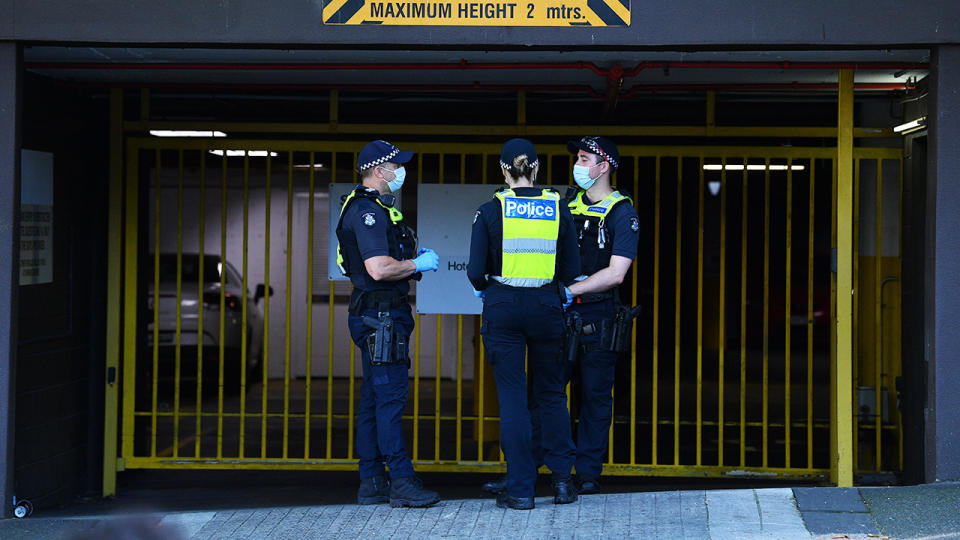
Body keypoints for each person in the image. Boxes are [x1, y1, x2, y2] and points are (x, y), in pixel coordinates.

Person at [467, 138, 581, 510]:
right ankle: (563, 483)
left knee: (513, 399)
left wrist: (493, 289)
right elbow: (572, 271)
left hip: (503, 305)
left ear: (503, 170)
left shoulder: (488, 211)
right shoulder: (559, 208)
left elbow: (474, 273)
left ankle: (519, 490)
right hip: (547, 305)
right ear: (536, 168)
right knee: (551, 395)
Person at [335, 139, 441, 508]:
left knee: (373, 400)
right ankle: (401, 481)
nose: (401, 173)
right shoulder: (368, 212)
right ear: (379, 171)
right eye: (397, 166)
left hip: (375, 314)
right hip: (381, 318)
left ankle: (371, 482)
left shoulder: (372, 207)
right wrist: (418, 265)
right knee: (390, 400)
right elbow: (379, 268)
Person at [564, 136, 640, 494]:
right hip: (561, 317)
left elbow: (616, 273)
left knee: (595, 398)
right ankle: (536, 468)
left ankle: (588, 474)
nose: (578, 165)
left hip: (599, 317)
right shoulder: (566, 205)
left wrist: (570, 290)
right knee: (546, 394)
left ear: (603, 165)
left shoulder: (623, 212)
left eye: (584, 158)